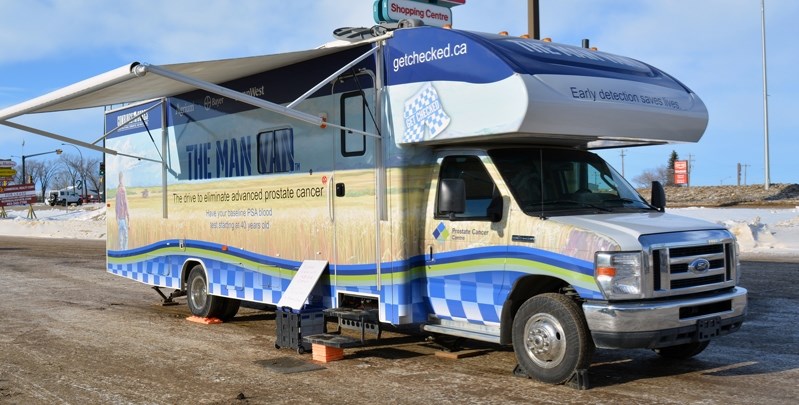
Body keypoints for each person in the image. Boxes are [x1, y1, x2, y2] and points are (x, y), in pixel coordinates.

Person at [116, 171, 130, 250]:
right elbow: (124, 205)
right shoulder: (121, 189)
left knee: (123, 236)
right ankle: (123, 250)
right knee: (123, 236)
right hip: (122, 219)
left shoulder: (119, 190)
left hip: (122, 218)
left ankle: (123, 250)